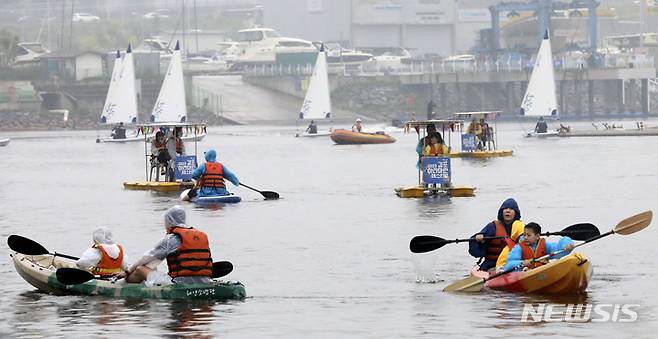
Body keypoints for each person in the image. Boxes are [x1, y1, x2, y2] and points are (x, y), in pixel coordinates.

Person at [115, 205, 213, 285]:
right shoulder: (201, 235)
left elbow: (146, 258)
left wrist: (127, 272)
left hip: (179, 283)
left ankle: (120, 284)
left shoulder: (171, 239)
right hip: (205, 281)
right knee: (154, 267)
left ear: (169, 221)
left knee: (140, 269)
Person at [468, 198, 525, 272]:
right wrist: (478, 239)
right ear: (501, 212)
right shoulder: (492, 227)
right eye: (505, 208)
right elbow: (475, 251)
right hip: (492, 264)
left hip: (515, 263)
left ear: (516, 213)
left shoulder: (521, 227)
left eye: (511, 209)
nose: (507, 210)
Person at [501, 222, 575, 272]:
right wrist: (523, 262)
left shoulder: (545, 245)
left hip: (541, 272)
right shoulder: (519, 248)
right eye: (524, 235)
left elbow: (558, 249)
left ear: (537, 236)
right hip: (525, 273)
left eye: (528, 235)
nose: (525, 237)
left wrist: (567, 245)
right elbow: (509, 265)